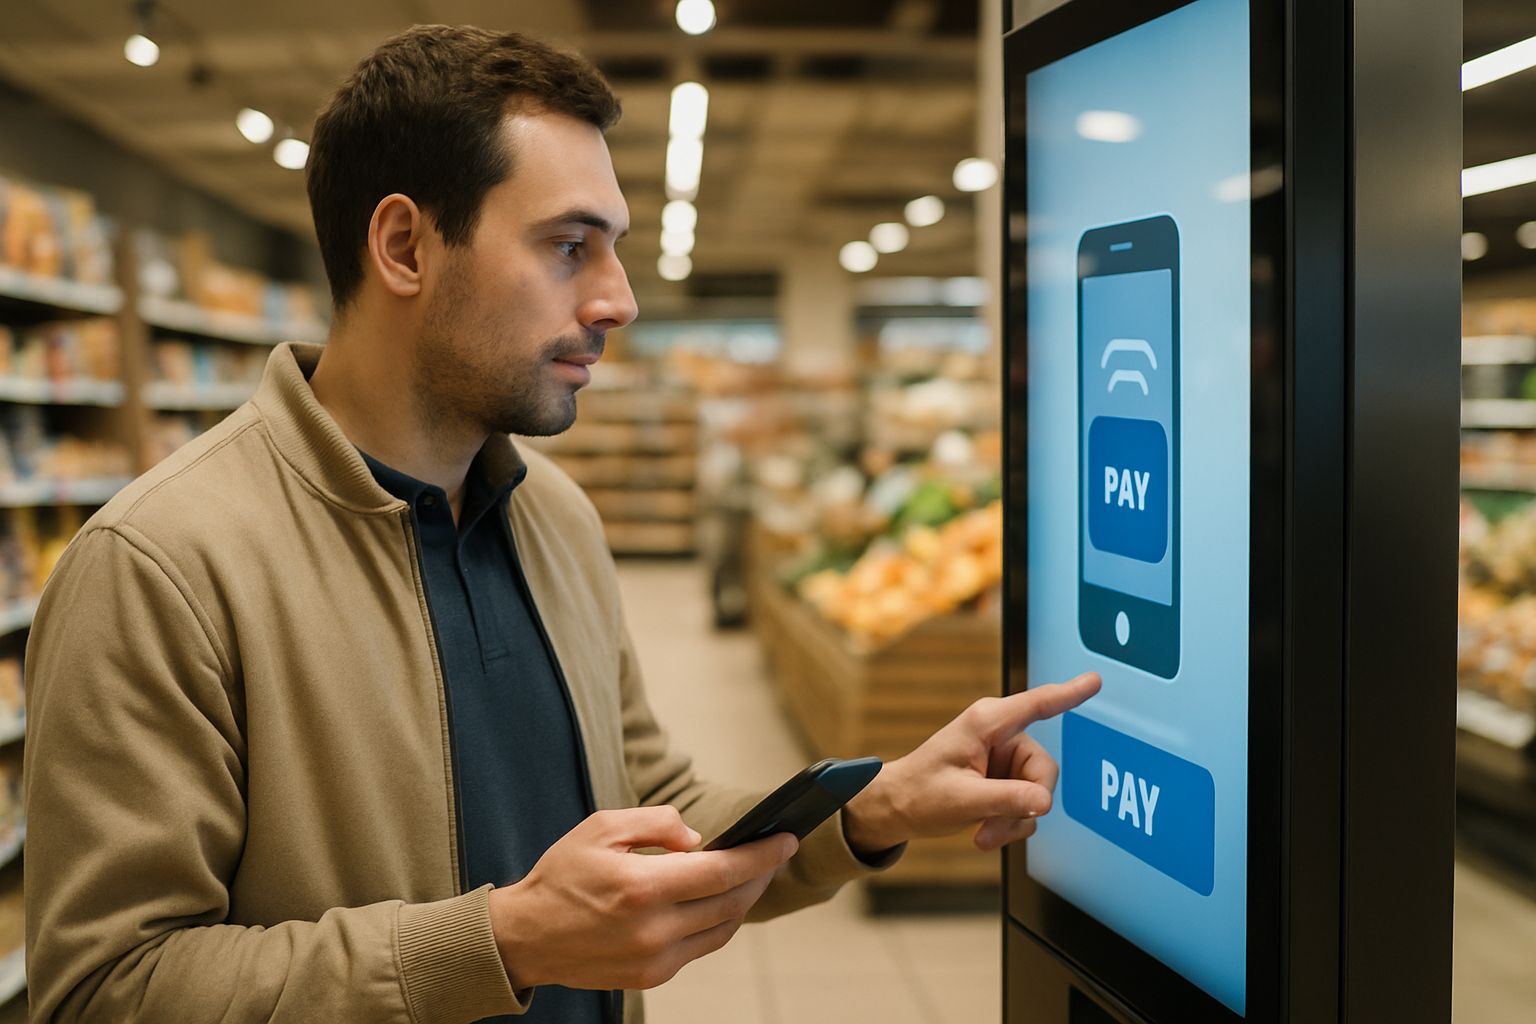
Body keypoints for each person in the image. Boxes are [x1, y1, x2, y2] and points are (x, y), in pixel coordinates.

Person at [22, 24, 1100, 1024]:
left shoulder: (558, 518)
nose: (620, 299)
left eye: (614, 246)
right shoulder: (160, 567)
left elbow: (654, 799)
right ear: (405, 246)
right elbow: (108, 985)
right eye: (570, 246)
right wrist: (501, 942)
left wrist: (875, 803)